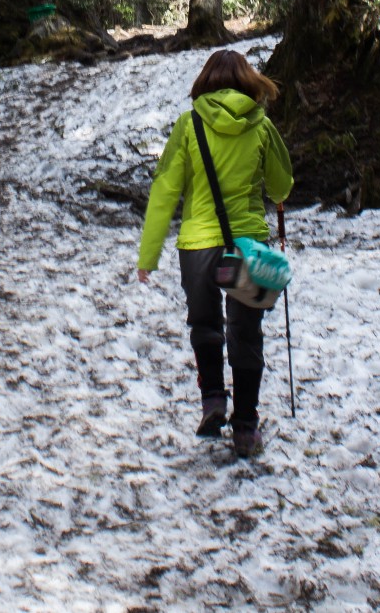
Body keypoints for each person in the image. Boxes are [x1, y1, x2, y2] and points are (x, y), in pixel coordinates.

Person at [136, 49, 294, 457]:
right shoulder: (262, 126)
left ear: (205, 82)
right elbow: (281, 187)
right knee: (246, 333)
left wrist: (148, 255)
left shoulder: (189, 125)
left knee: (204, 325)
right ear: (248, 81)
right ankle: (245, 427)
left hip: (198, 246)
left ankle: (212, 401)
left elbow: (165, 192)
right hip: (248, 244)